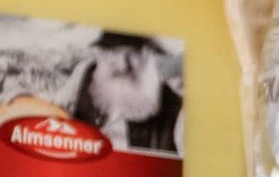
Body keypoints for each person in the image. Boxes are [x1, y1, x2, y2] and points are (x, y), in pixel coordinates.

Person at [55, 30, 183, 153]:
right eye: (114, 53)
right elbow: (57, 113)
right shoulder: (85, 72)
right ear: (101, 53)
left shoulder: (176, 111)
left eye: (132, 54)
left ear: (146, 55)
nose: (123, 65)